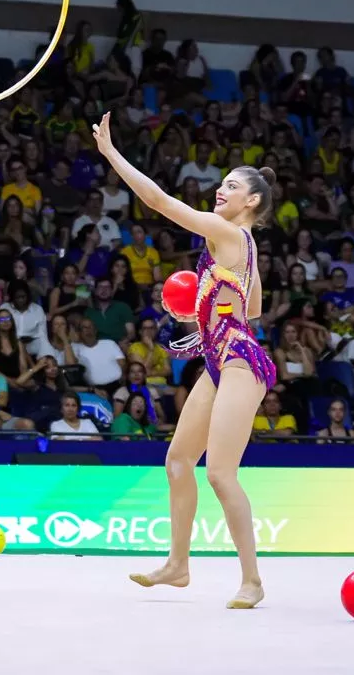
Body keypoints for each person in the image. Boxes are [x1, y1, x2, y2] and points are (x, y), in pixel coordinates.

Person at [93, 111, 272, 609]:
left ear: (251, 201)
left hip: (239, 361)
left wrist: (111, 155)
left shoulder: (226, 232)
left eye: (231, 186)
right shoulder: (246, 245)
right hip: (222, 356)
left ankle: (252, 580)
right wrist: (209, 310)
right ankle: (177, 564)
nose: (220, 190)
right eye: (222, 183)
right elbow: (251, 307)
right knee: (177, 461)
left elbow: (156, 200)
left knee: (220, 472)